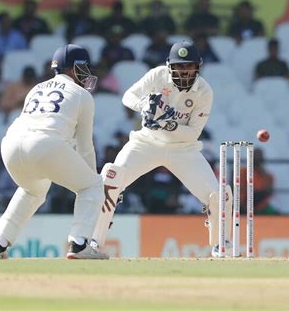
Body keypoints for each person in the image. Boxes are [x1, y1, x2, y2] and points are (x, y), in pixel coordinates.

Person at [91, 41, 233, 257]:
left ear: (198, 66)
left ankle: (222, 246)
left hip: (183, 149)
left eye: (189, 66)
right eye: (179, 67)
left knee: (218, 195)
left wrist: (168, 124)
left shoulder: (204, 91)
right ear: (169, 66)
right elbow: (128, 97)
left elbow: (193, 132)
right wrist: (144, 107)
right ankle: (95, 242)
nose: (184, 72)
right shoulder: (158, 75)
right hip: (146, 143)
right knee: (111, 178)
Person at [0, 44, 108, 260]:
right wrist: (90, 181)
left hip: (10, 145)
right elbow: (85, 145)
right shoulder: (82, 95)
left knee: (32, 190)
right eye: (84, 68)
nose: (87, 74)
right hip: (44, 144)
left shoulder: (36, 88)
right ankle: (79, 245)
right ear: (73, 69)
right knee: (92, 186)